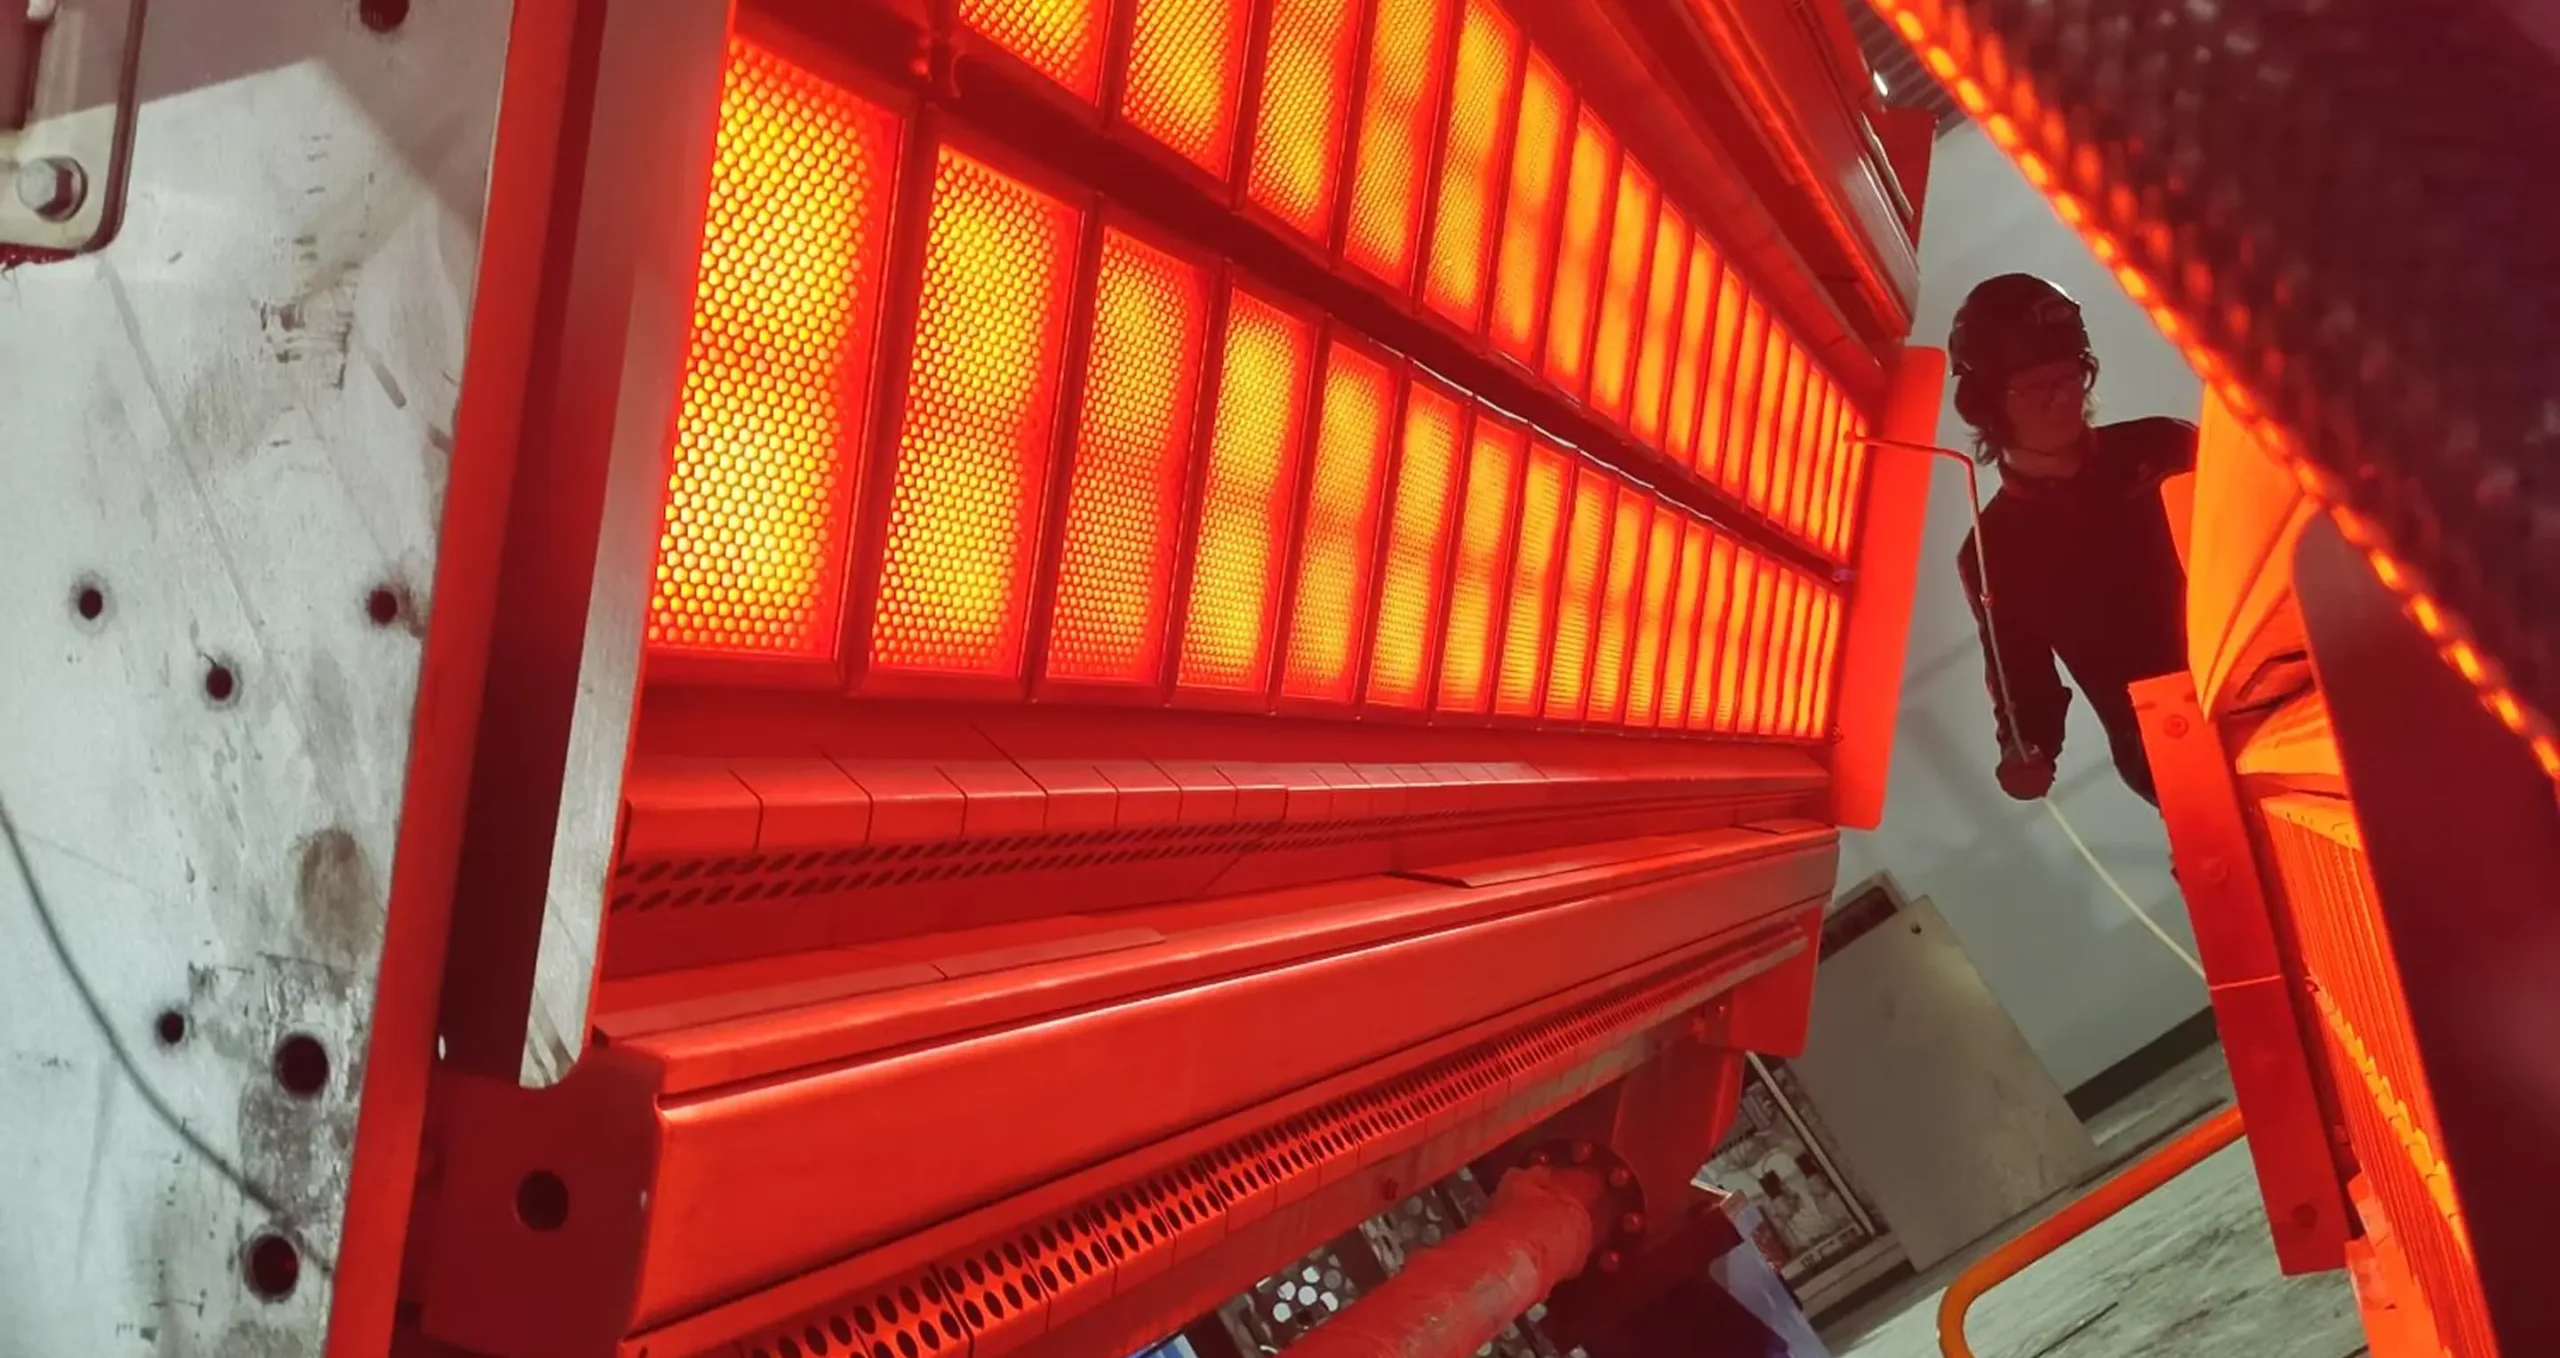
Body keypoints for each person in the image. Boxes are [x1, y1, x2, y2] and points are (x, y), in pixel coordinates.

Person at [1948, 274, 2196, 807]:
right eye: (2037, 388)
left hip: (2288, 696)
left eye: (2071, 378)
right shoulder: (1992, 555)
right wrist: (2026, 753)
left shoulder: (2166, 445)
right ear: (1984, 408)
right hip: (2176, 761)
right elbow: (2025, 688)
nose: (2062, 400)